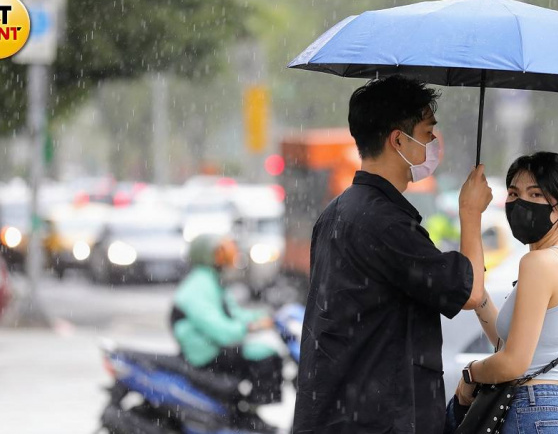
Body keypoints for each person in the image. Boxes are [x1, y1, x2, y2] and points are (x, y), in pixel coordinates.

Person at [293, 76, 493, 434]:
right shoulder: (385, 224)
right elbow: (471, 292)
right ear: (398, 140)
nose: (433, 142)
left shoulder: (337, 212)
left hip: (338, 415)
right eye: (427, 131)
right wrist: (471, 212)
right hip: (376, 422)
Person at [452, 151, 558, 434]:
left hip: (530, 411)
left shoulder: (539, 262)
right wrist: (479, 296)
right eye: (514, 193)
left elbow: (513, 363)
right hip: (546, 412)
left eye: (535, 194)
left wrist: (470, 374)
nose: (520, 203)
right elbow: (510, 343)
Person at [170, 234, 279, 376]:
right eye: (222, 254)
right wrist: (251, 326)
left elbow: (233, 313)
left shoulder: (212, 280)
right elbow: (219, 330)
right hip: (205, 355)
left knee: (265, 353)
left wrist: (263, 316)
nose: (230, 259)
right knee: (266, 358)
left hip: (213, 348)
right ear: (208, 256)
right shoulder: (199, 286)